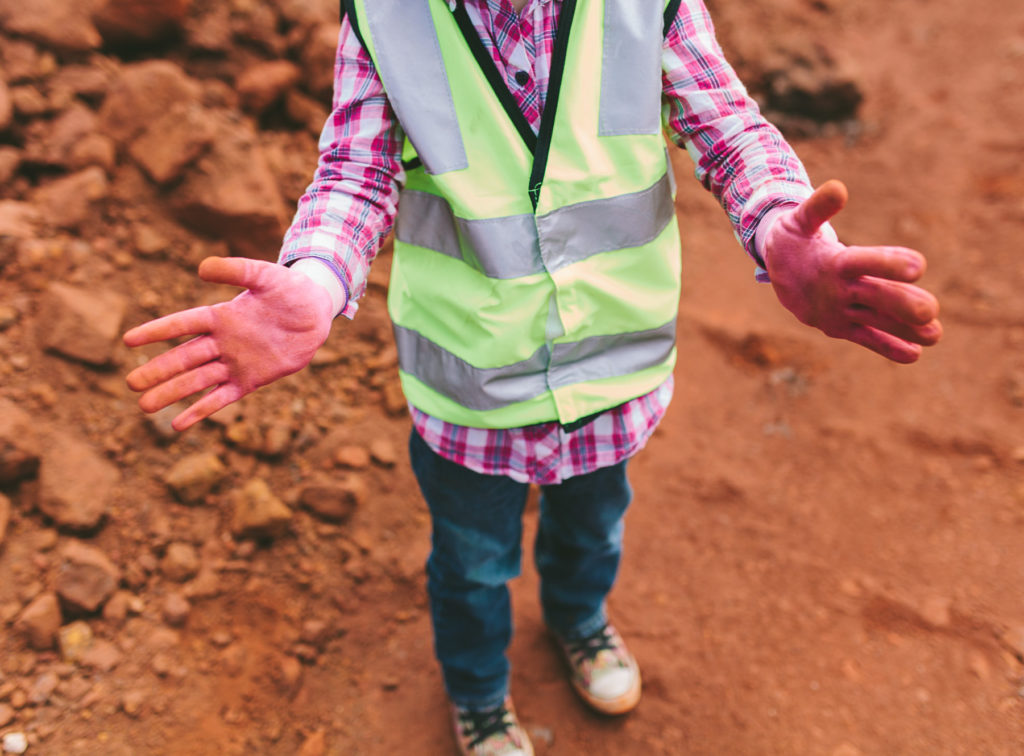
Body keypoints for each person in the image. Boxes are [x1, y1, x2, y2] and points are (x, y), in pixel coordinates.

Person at [123, 1, 942, 754]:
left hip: (613, 375)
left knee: (594, 530)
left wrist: (775, 220)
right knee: (473, 565)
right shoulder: (386, 15)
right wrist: (314, 278)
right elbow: (354, 172)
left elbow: (726, 126)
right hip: (469, 392)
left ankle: (579, 621)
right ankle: (479, 694)